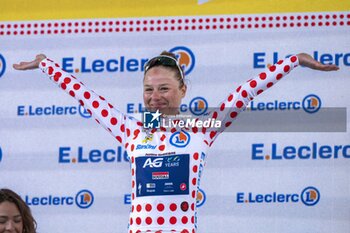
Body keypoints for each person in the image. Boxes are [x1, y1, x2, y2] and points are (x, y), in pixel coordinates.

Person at [13, 52, 338, 233]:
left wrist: (293, 61)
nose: (155, 97)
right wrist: (46, 64)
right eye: (148, 90)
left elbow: (245, 92)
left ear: (183, 90)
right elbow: (86, 97)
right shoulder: (133, 132)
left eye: (164, 88)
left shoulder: (203, 128)